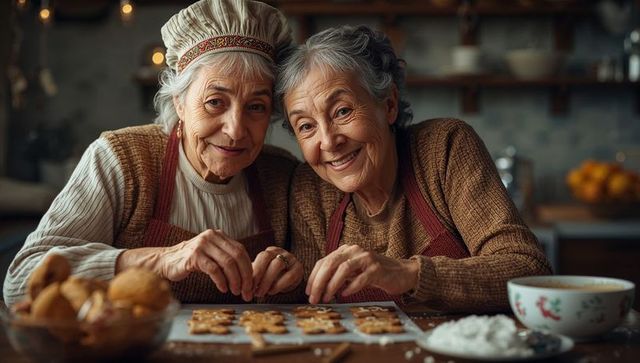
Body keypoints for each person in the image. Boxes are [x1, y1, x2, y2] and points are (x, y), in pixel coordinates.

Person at [3, 0, 304, 306]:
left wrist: (291, 274)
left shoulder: (282, 174)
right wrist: (161, 260)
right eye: (215, 102)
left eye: (256, 107)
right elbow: (20, 282)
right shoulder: (121, 159)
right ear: (179, 103)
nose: (236, 130)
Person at [276, 25, 552, 312]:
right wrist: (281, 280)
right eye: (306, 126)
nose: (329, 142)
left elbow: (528, 271)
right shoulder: (310, 188)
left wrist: (409, 274)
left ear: (389, 104)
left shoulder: (443, 149)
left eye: (342, 111)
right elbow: (306, 303)